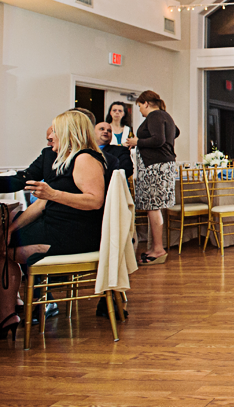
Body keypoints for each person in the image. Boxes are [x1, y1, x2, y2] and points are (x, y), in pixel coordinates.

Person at [1, 111, 109, 341]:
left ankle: (8, 314)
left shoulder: (85, 159)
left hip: (72, 233)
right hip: (59, 226)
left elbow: (95, 200)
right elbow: (42, 203)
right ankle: (9, 313)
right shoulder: (68, 160)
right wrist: (11, 230)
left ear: (69, 134)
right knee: (3, 242)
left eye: (55, 132)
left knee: (3, 249)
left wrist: (53, 193)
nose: (51, 137)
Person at [124, 90, 179, 266]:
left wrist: (136, 142)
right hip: (162, 166)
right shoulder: (165, 116)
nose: (140, 110)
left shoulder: (155, 115)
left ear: (146, 103)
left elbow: (158, 140)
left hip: (156, 167)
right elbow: (175, 132)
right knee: (153, 208)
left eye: (139, 106)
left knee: (153, 208)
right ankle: (155, 247)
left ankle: (158, 249)